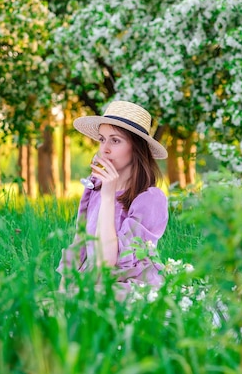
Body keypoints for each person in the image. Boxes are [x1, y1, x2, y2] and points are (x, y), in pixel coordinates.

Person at [57, 100, 169, 295]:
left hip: (131, 287)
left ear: (136, 148)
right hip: (93, 284)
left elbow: (107, 264)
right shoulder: (94, 190)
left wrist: (109, 196)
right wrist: (62, 290)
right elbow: (79, 245)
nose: (105, 149)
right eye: (102, 139)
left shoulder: (150, 200)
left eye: (115, 140)